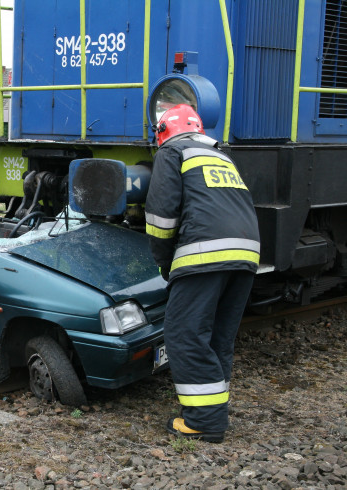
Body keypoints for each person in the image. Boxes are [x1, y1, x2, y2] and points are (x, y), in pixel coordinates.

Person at [145, 104, 260, 443]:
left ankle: (204, 422)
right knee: (218, 337)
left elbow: (161, 217)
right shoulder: (220, 155)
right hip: (247, 253)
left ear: (163, 132)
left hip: (205, 253)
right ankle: (214, 409)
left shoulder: (172, 150)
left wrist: (166, 263)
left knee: (184, 334)